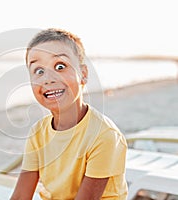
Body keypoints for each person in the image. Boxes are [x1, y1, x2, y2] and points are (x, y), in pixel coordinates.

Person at [10, 28, 128, 200]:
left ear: (84, 74)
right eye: (39, 71)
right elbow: (21, 195)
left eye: (60, 66)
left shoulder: (103, 135)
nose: (48, 78)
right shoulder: (38, 132)